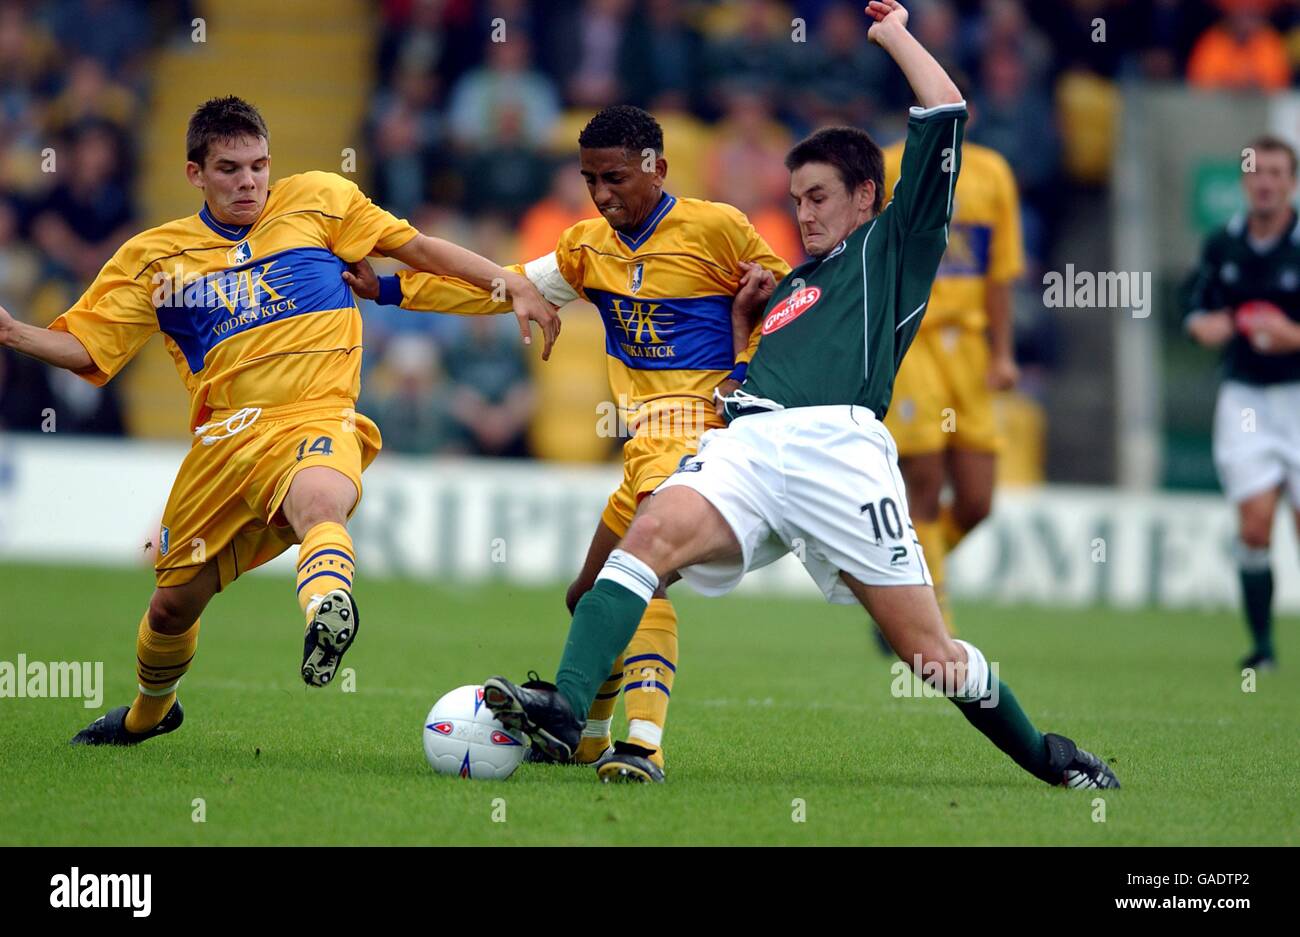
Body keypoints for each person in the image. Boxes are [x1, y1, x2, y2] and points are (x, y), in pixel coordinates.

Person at [479, 2, 1119, 791]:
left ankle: (1052, 758)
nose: (802, 213)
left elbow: (946, 110)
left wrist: (893, 35)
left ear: (863, 196)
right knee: (647, 534)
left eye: (817, 197)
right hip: (746, 446)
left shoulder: (892, 247)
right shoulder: (791, 287)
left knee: (930, 655)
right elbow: (766, 369)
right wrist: (748, 330)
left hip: (838, 455)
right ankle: (566, 711)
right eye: (796, 198)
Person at [0, 95, 556, 746]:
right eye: (230, 169)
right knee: (172, 602)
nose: (249, 182)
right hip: (225, 444)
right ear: (194, 174)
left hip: (315, 415)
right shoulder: (156, 258)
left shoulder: (320, 200)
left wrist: (508, 281)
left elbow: (419, 248)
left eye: (259, 166)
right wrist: (13, 331)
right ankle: (150, 712)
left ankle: (327, 610)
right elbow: (90, 347)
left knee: (321, 500)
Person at [347, 103, 791, 782]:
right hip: (645, 442)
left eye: (614, 177)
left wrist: (743, 370)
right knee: (587, 597)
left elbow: (788, 308)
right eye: (590, 180)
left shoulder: (720, 230)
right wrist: (387, 288)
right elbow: (505, 289)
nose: (602, 193)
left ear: (658, 168)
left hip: (702, 438)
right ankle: (587, 736)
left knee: (641, 578)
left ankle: (641, 746)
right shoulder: (591, 248)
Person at [880, 91, 1024, 632]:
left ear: (970, 116)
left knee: (977, 501)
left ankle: (901, 585)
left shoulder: (992, 174)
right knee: (921, 480)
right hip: (912, 339)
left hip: (969, 347)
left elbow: (1001, 271)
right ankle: (932, 619)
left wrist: (1004, 352)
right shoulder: (893, 163)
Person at [1186, 133, 1300, 672]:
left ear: (1291, 183)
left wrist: (1290, 335)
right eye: (1257, 173)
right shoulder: (1222, 244)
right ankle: (1264, 649)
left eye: (1277, 173)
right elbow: (1196, 310)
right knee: (1254, 527)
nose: (1266, 183)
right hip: (1245, 398)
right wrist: (1210, 325)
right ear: (1244, 182)